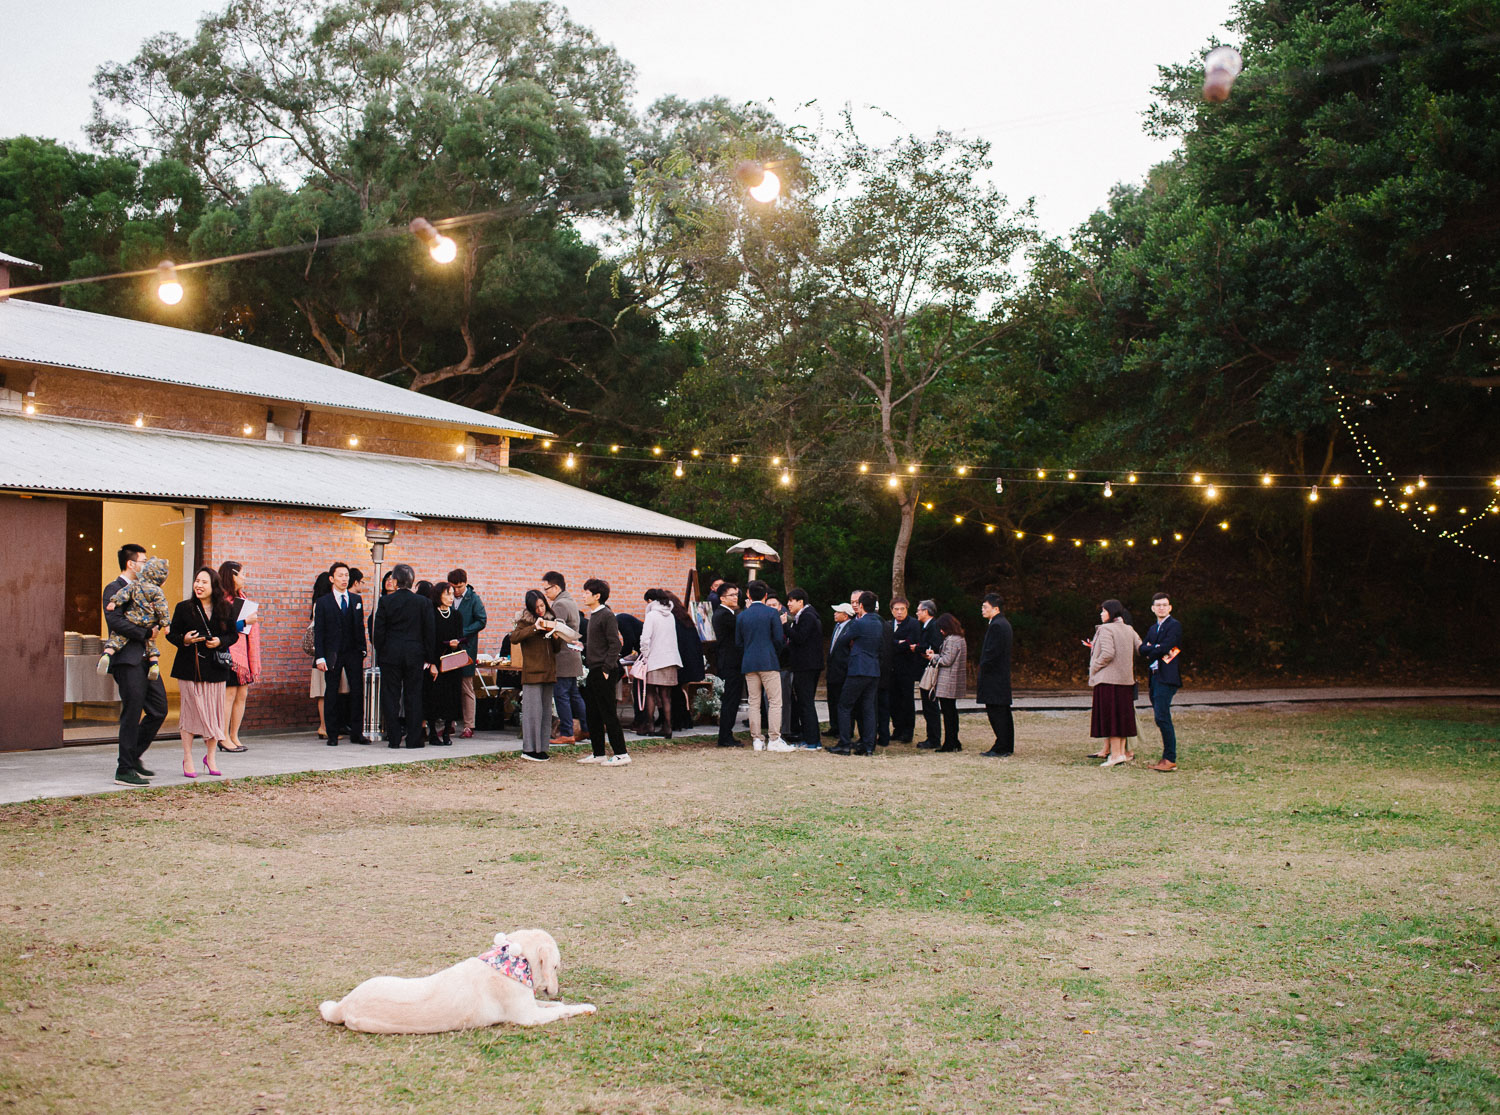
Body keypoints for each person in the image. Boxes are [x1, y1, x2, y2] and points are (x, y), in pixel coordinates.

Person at [165, 566, 239, 778]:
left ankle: (211, 756)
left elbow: (233, 635)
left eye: (204, 582)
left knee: (215, 714)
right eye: (197, 581)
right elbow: (172, 635)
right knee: (189, 713)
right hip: (189, 668)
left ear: (214, 586)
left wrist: (220, 641)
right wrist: (185, 640)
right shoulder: (184, 608)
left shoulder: (225, 608)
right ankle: (188, 757)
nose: (199, 585)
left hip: (215, 669)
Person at [105, 544, 169, 787]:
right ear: (131, 564)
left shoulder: (149, 589)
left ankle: (133, 756)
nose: (147, 565)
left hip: (148, 659)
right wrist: (146, 633)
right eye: (143, 561)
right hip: (127, 659)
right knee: (131, 713)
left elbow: (157, 616)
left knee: (159, 709)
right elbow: (115, 622)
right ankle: (124, 769)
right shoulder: (114, 589)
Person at [372, 563, 435, 750]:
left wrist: (382, 651)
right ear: (412, 580)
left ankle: (393, 737)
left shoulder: (386, 602)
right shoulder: (423, 602)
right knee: (413, 695)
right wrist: (429, 657)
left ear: (396, 581)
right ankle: (414, 739)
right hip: (415, 654)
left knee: (390, 696)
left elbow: (379, 632)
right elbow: (429, 632)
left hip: (390, 654)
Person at [511, 589, 577, 761]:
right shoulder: (525, 621)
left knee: (545, 713)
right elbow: (514, 638)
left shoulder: (552, 619)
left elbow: (556, 649)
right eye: (536, 607)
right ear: (530, 608)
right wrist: (535, 627)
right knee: (532, 713)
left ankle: (542, 748)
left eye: (542, 605)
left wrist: (557, 636)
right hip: (532, 672)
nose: (540, 609)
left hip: (549, 672)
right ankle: (529, 749)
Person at [313, 561, 369, 746]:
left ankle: (357, 733)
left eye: (346, 575)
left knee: (357, 691)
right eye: (340, 576)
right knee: (332, 692)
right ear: (332, 579)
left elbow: (360, 627)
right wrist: (320, 657)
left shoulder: (356, 600)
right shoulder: (323, 603)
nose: (344, 579)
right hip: (333, 653)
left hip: (353, 651)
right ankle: (332, 733)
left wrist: (362, 649)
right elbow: (319, 632)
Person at [578, 578, 630, 765]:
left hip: (604, 670)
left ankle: (621, 754)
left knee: (608, 713)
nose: (583, 595)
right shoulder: (594, 615)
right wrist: (581, 645)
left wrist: (607, 668)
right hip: (594, 670)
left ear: (597, 596)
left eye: (586, 592)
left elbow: (615, 644)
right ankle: (598, 752)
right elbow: (599, 644)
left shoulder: (607, 615)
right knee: (593, 713)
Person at [734, 580, 789, 751]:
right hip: (769, 661)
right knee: (774, 701)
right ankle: (774, 738)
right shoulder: (772, 613)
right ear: (766, 595)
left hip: (749, 662)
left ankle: (757, 739)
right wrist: (773, 653)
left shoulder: (742, 615)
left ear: (749, 595)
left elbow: (738, 642)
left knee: (754, 702)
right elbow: (779, 640)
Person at [1087, 599, 1142, 767]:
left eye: (1103, 611)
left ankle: (1116, 754)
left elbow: (1108, 653)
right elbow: (1140, 648)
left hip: (1108, 680)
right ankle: (1120, 753)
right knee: (1121, 718)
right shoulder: (1129, 629)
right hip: (1125, 681)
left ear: (1111, 612)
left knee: (1111, 718)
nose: (1101, 614)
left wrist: (1094, 666)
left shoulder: (1105, 629)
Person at [829, 591, 882, 756]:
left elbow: (843, 640)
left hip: (858, 668)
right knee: (868, 708)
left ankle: (844, 743)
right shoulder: (878, 623)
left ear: (860, 606)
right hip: (873, 669)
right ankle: (868, 745)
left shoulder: (858, 624)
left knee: (844, 706)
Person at [99, 557, 170, 678]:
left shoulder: (135, 585)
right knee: (151, 644)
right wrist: (166, 624)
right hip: (147, 622)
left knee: (116, 640)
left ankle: (106, 654)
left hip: (132, 618)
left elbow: (123, 594)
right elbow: (162, 609)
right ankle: (154, 665)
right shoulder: (158, 592)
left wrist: (114, 602)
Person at [218, 559, 260, 754]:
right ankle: (223, 736)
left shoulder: (242, 598)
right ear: (232, 575)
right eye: (242, 574)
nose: (244, 578)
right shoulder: (220, 599)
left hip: (243, 654)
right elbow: (221, 627)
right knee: (230, 694)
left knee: (242, 694)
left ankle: (234, 734)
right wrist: (244, 621)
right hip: (228, 652)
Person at [541, 572, 588, 746]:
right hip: (573, 655)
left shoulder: (559, 604)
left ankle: (567, 732)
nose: (545, 593)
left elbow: (557, 630)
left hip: (563, 656)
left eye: (547, 589)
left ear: (556, 587)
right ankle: (585, 728)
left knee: (562, 696)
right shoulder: (570, 601)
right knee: (574, 695)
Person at [1141, 592, 1183, 772]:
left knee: (1162, 716)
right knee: (1160, 716)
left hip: (1167, 677)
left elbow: (1168, 648)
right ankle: (1167, 757)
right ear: (1152, 608)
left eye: (1164, 605)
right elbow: (1143, 649)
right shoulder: (1152, 628)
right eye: (1158, 605)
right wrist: (1153, 648)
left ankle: (1169, 758)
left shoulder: (1174, 626)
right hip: (1155, 676)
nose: (1161, 607)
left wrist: (1154, 648)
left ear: (1170, 607)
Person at [636, 590, 683, 738]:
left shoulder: (651, 615)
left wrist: (645, 654)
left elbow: (645, 638)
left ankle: (649, 724)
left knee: (650, 692)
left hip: (655, 658)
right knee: (665, 695)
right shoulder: (671, 616)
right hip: (671, 658)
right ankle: (667, 726)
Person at [449, 569, 488, 739]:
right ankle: (449, 723)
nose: (456, 590)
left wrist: (463, 633)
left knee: (466, 686)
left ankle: (469, 725)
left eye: (459, 587)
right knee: (449, 687)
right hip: (449, 649)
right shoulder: (448, 596)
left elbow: (482, 620)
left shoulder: (473, 598)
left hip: (466, 648)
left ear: (465, 583)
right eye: (453, 587)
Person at [975, 593, 1015, 758]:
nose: (982, 610)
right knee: (1002, 711)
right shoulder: (1002, 624)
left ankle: (1002, 746)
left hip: (994, 677)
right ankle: (1005, 744)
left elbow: (991, 653)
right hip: (999, 676)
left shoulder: (997, 625)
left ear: (996, 608)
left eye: (985, 607)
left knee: (997, 712)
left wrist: (983, 667)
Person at [785, 588, 824, 751]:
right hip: (806, 666)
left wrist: (785, 626)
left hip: (807, 666)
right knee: (804, 702)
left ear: (801, 602)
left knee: (806, 703)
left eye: (791, 601)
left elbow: (800, 638)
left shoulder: (807, 616)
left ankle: (813, 741)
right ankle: (810, 738)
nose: (788, 604)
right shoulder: (805, 615)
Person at [426, 581, 464, 745]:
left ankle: (448, 732)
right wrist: (431, 663)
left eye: (452, 594)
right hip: (436, 661)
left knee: (452, 698)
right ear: (438, 595)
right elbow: (428, 640)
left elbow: (461, 636)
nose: (451, 597)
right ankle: (433, 733)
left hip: (452, 662)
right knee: (433, 697)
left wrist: (458, 643)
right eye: (447, 594)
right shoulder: (431, 614)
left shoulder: (456, 616)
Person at [926, 613, 968, 752]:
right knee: (951, 712)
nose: (940, 631)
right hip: (953, 679)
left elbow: (947, 660)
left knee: (948, 713)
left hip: (948, 680)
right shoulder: (959, 638)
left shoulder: (952, 639)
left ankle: (950, 743)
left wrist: (933, 657)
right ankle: (954, 740)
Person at [665, 590, 706, 732]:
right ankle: (684, 720)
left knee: (674, 691)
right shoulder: (685, 618)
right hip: (691, 661)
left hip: (679, 660)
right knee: (679, 690)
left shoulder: (671, 620)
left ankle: (678, 721)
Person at [711, 583, 744, 747]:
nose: (735, 598)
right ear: (722, 598)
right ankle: (725, 737)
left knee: (732, 700)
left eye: (736, 594)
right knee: (730, 700)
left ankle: (726, 734)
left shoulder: (729, 613)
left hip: (731, 662)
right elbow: (740, 625)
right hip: (730, 663)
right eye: (732, 595)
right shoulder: (724, 615)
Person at [888, 597, 922, 743]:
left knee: (907, 700)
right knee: (893, 700)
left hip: (907, 669)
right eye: (896, 609)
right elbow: (887, 642)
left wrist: (898, 644)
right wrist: (897, 643)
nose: (900, 612)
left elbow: (910, 643)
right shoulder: (888, 624)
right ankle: (898, 728)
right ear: (892, 610)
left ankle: (908, 731)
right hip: (891, 669)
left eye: (903, 609)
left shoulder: (913, 624)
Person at [308, 570, 336, 740]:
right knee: (324, 692)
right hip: (324, 654)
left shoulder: (317, 602)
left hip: (320, 655)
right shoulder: (324, 603)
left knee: (322, 692)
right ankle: (324, 726)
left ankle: (324, 726)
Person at [824, 602, 856, 742]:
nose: (835, 614)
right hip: (833, 670)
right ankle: (834, 726)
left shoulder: (851, 628)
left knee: (843, 701)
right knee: (832, 699)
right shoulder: (837, 627)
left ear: (846, 615)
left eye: (838, 612)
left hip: (843, 671)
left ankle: (846, 730)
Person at [914, 600, 944, 749]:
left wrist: (918, 648)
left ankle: (934, 738)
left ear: (926, 611)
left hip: (930, 671)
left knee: (931, 705)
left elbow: (935, 647)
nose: (917, 613)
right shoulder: (927, 627)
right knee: (927, 705)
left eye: (919, 610)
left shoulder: (933, 627)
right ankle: (931, 736)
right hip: (924, 670)